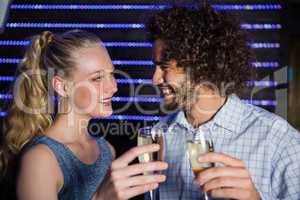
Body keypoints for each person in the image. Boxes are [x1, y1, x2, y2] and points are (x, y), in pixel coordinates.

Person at [146, 5, 300, 200]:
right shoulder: (158, 135)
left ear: (201, 65)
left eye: (164, 67)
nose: (154, 79)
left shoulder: (278, 139)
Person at [0, 30, 168, 200]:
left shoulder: (106, 150)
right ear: (62, 87)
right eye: (97, 78)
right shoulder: (40, 160)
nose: (113, 87)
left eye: (111, 75)